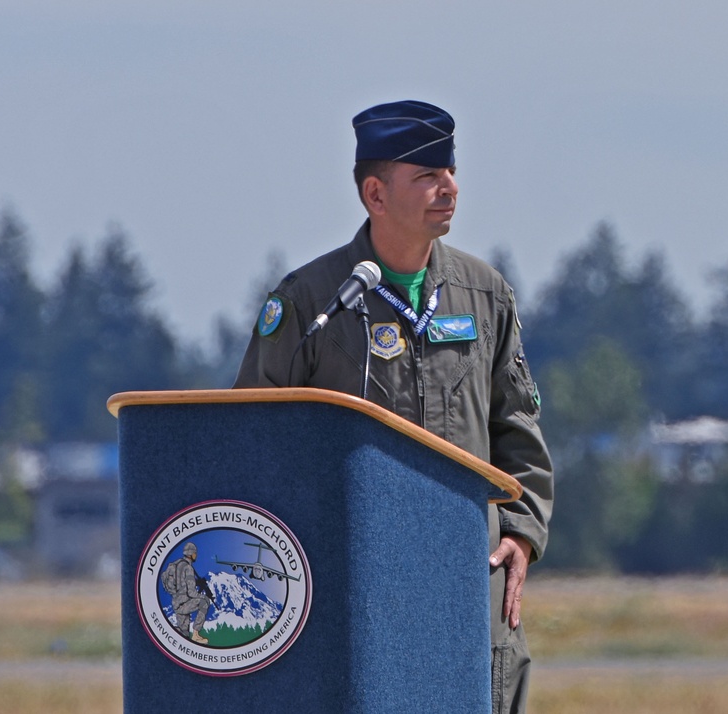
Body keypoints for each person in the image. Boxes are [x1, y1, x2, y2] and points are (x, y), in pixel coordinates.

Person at [233, 99, 553, 713]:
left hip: (466, 567)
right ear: (375, 195)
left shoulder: (484, 294)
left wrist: (521, 533)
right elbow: (252, 438)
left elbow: (517, 429)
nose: (449, 188)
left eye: (450, 172)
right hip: (347, 571)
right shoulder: (310, 304)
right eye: (427, 176)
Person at [162, 542, 212, 644]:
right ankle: (196, 635)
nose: (196, 555)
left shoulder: (176, 565)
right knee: (204, 602)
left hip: (176, 602)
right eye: (195, 553)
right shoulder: (188, 568)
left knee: (184, 634)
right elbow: (191, 592)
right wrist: (203, 596)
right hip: (185, 603)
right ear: (191, 554)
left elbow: (180, 583)